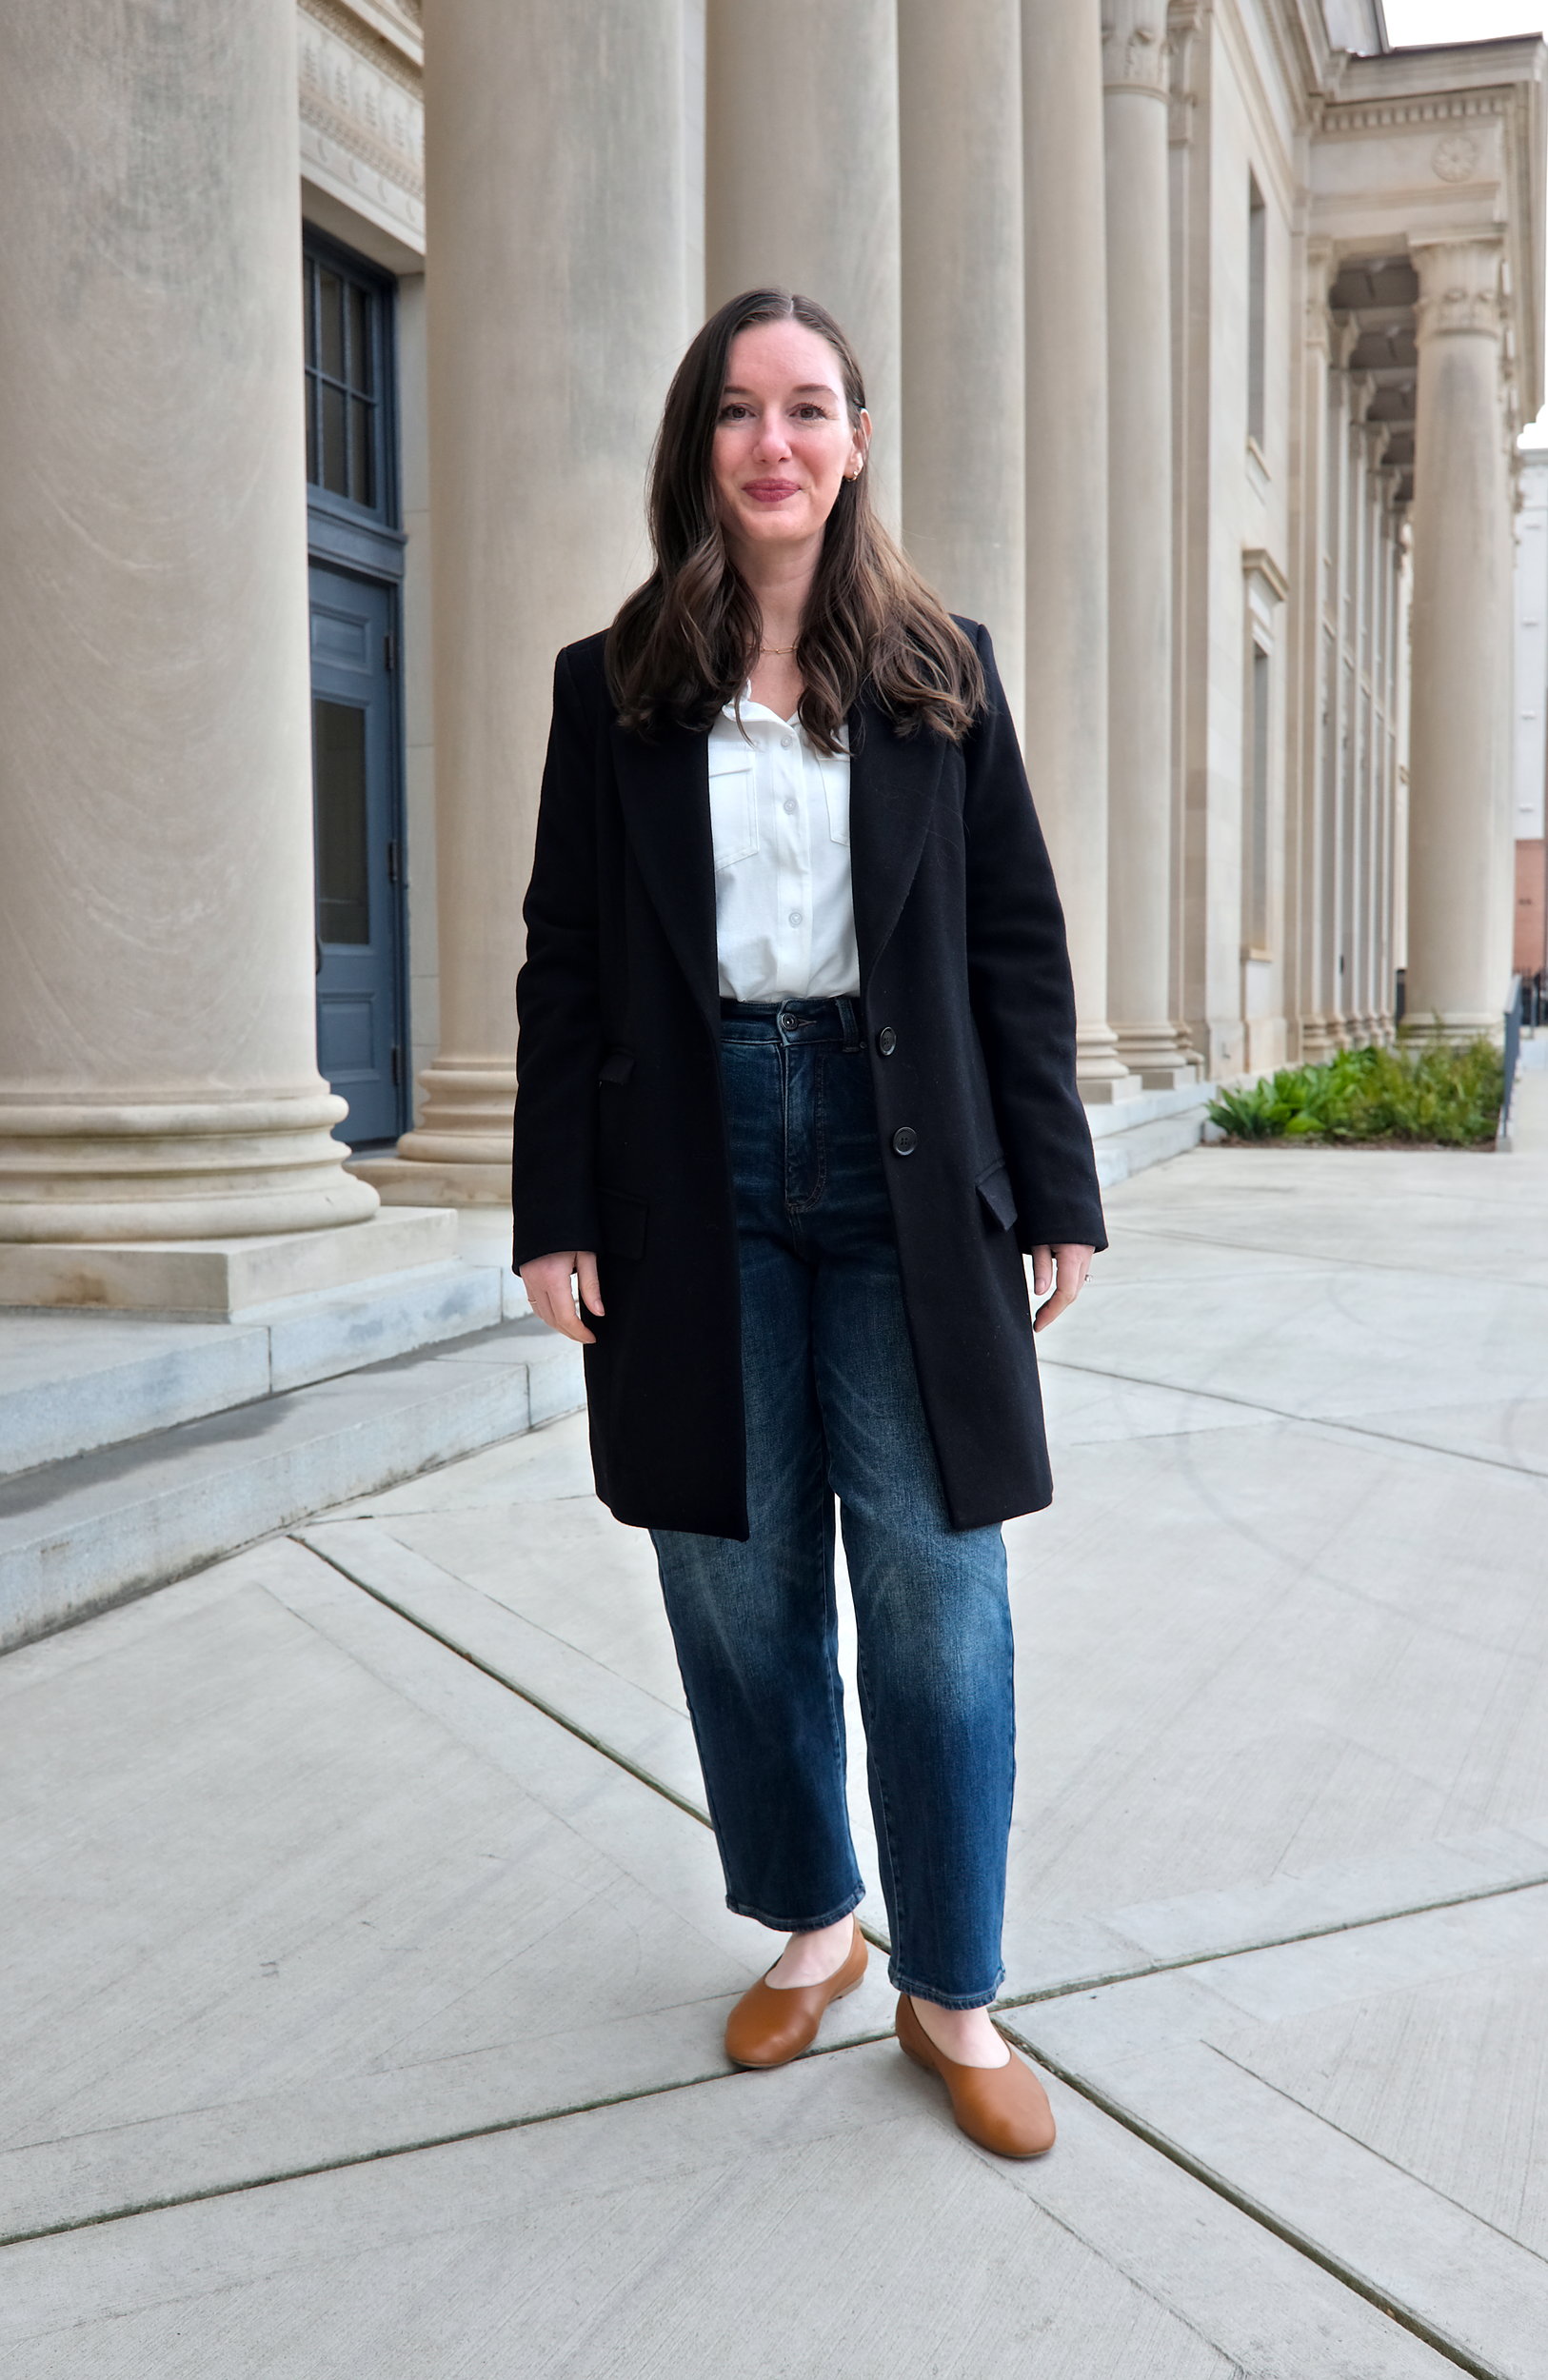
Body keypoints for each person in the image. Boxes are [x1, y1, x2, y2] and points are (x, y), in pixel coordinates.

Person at [514, 288, 1104, 2159]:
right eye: (741, 411)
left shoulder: (945, 674)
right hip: (689, 1174)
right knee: (735, 1575)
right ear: (699, 446)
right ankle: (814, 1918)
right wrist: (553, 1206)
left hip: (904, 1163)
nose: (777, 441)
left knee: (939, 1589)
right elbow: (566, 965)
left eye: (811, 408)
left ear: (854, 445)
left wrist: (1060, 1186)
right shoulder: (607, 689)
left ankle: (954, 1981)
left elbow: (1014, 945)